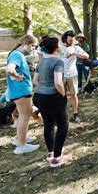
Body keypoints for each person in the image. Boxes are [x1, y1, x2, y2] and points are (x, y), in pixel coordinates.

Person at [33, 37, 71, 167]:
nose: (61, 46)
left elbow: (35, 81)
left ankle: (51, 152)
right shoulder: (58, 61)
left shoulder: (41, 61)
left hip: (39, 96)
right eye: (59, 44)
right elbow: (58, 82)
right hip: (52, 97)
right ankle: (57, 158)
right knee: (63, 125)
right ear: (55, 48)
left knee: (48, 124)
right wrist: (63, 95)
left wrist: (44, 88)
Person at [5, 34, 39, 154]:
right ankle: (22, 145)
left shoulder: (15, 53)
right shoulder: (17, 54)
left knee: (21, 116)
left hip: (17, 90)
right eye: (33, 46)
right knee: (25, 116)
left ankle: (20, 138)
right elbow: (9, 69)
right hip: (21, 90)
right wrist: (17, 76)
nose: (33, 49)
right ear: (26, 44)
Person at [60, 31, 89, 123]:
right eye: (70, 39)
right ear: (65, 39)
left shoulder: (75, 47)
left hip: (72, 74)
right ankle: (62, 115)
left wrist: (74, 53)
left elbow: (86, 55)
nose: (72, 41)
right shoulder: (59, 48)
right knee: (61, 95)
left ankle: (75, 114)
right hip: (61, 75)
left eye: (73, 39)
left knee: (73, 94)